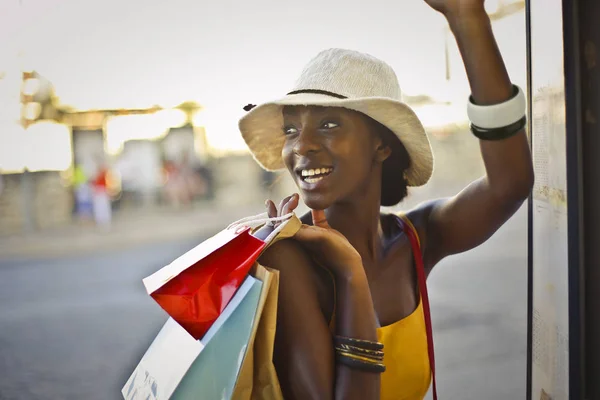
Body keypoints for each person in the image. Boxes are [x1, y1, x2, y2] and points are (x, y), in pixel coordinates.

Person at [241, 1, 534, 399]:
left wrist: (468, 19)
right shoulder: (287, 258)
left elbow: (510, 183)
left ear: (381, 145)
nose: (301, 146)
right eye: (291, 128)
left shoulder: (414, 238)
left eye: (328, 124)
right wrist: (349, 274)